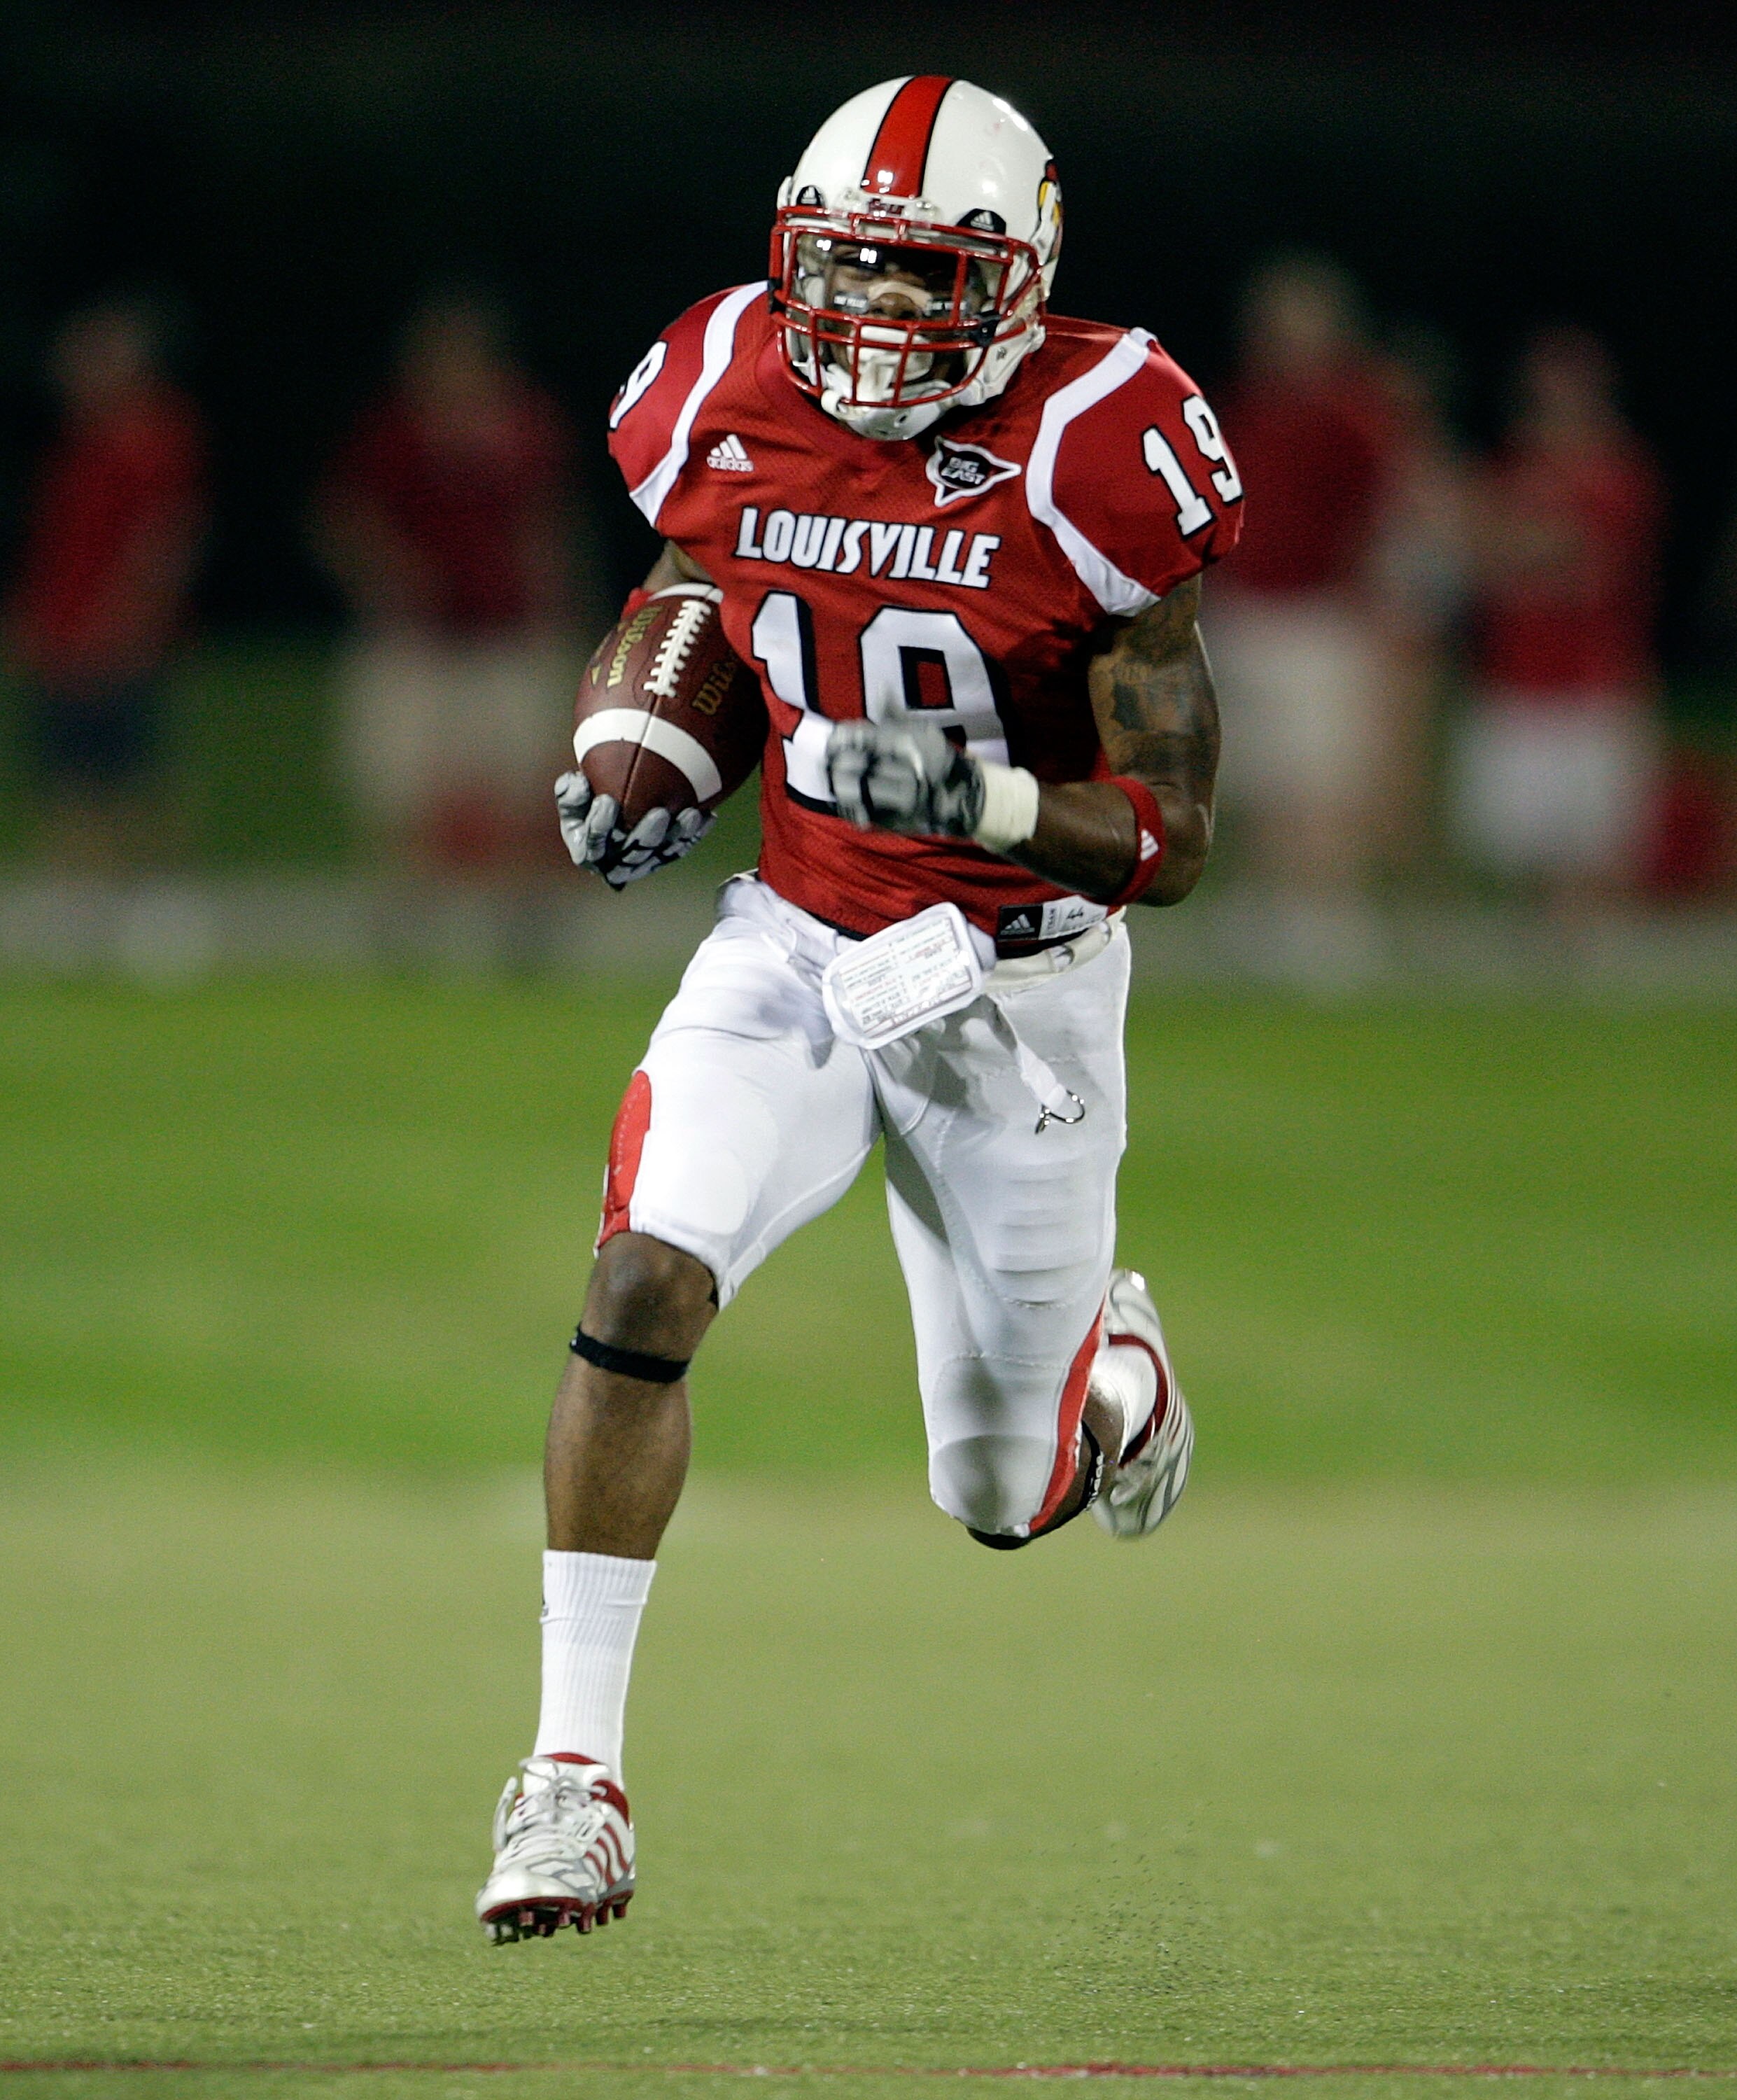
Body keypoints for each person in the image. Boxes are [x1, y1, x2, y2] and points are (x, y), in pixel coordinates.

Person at [473, 76, 1242, 1944]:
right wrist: (645, 739)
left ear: (1012, 284)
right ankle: (572, 1783)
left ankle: (1107, 1390)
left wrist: (973, 803)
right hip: (802, 947)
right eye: (852, 274)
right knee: (640, 1278)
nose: (879, 320)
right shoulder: (725, 380)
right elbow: (703, 596)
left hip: (1020, 994)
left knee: (997, 1492)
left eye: (921, 280)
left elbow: (1180, 833)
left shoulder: (1100, 437)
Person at [313, 294, 580, 872]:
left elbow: (548, 524)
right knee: (409, 790)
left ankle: (514, 922)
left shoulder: (523, 425)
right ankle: (418, 916)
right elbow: (344, 518)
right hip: (418, 636)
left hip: (505, 628)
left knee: (522, 783)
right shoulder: (394, 432)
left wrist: (561, 611)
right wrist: (388, 576)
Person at [1453, 328, 1665, 909]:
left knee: (1595, 843)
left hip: (1593, 683)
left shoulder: (1618, 469)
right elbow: (1478, 555)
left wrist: (1511, 544)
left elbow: (1584, 563)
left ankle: (1595, 957)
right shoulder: (1511, 467)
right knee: (1524, 848)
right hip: (1516, 679)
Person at [1208, 256, 1397, 897]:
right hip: (1246, 611)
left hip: (1321, 613)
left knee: (1320, 777)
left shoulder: (1353, 411)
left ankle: (1323, 910)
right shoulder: (1246, 407)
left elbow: (1385, 514)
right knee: (1258, 776)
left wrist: (1378, 609)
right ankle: (1270, 906)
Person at [6, 300, 206, 864]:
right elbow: (57, 546)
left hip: (121, 641)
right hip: (63, 637)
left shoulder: (156, 435)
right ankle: (78, 899)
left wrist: (125, 625)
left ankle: (154, 897)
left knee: (136, 773)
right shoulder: (78, 445)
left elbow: (167, 542)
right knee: (67, 775)